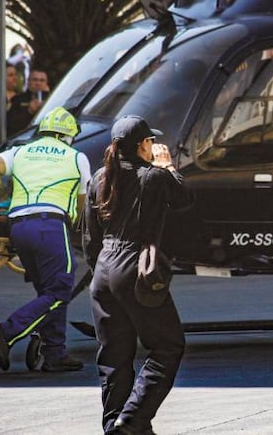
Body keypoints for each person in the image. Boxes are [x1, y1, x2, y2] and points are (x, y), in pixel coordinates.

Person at [84, 115, 195, 434]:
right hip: (136, 266)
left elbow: (90, 237)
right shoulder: (154, 177)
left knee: (114, 358)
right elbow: (185, 199)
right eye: (150, 142)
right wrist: (167, 166)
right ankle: (132, 417)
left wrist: (99, 273)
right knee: (168, 346)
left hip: (104, 270)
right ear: (142, 145)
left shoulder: (99, 178)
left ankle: (114, 427)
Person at [0, 107, 91, 373]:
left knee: (48, 292)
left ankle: (55, 352)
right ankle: (6, 332)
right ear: (68, 136)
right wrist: (78, 225)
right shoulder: (77, 157)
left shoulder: (21, 150)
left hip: (19, 227)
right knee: (61, 289)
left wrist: (2, 197)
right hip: (51, 226)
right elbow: (84, 198)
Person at [7, 69, 50, 135]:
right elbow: (11, 124)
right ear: (28, 81)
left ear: (46, 83)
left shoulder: (51, 99)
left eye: (42, 80)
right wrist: (29, 111)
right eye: (35, 80)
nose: (38, 83)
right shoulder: (17, 99)